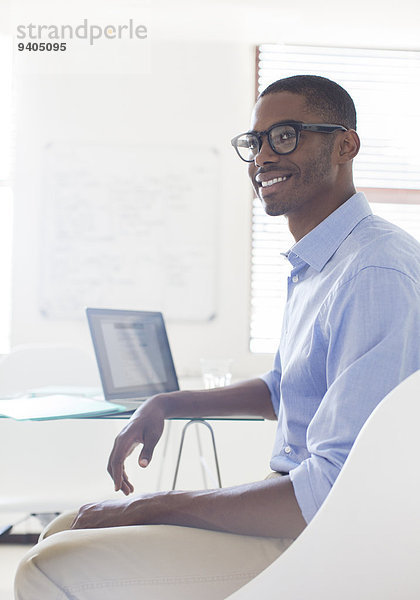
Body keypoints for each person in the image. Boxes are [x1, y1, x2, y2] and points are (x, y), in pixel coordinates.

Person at [15, 75, 420, 599]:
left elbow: (331, 487)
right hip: (296, 508)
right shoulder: (320, 264)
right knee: (61, 530)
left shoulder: (374, 270)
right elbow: (287, 388)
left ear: (346, 144)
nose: (263, 158)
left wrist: (150, 503)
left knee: (44, 567)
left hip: (329, 537)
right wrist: (170, 400)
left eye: (286, 135)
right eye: (255, 142)